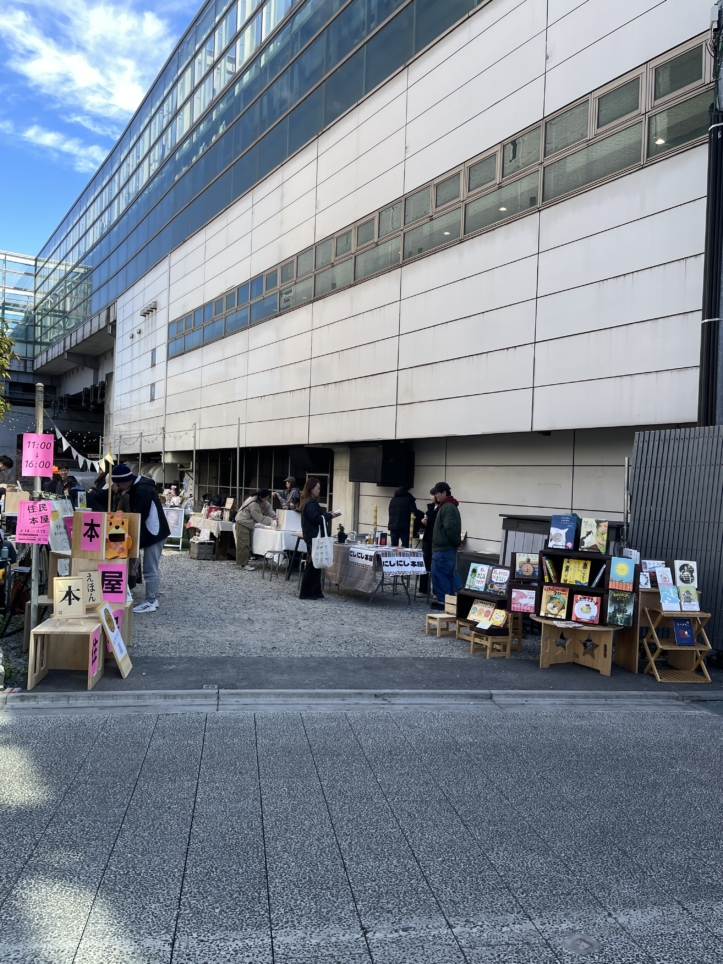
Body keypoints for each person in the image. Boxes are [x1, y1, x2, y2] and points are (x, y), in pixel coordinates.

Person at [111, 463, 170, 613]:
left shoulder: (142, 489)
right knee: (151, 567)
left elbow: (139, 515)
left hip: (154, 533)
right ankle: (152, 599)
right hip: (152, 532)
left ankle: (150, 601)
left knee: (150, 568)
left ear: (125, 480)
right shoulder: (138, 487)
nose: (119, 486)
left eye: (119, 483)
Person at [299, 477, 340, 600]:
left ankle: (315, 591)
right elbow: (316, 519)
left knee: (315, 565)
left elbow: (316, 517)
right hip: (313, 537)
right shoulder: (311, 502)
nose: (319, 491)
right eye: (317, 488)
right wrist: (329, 516)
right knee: (313, 565)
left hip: (311, 536)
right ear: (311, 488)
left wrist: (327, 515)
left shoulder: (308, 501)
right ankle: (307, 592)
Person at [430, 481, 462, 610]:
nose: (436, 496)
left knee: (440, 575)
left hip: (443, 549)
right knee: (447, 575)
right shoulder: (449, 506)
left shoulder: (447, 507)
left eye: (437, 493)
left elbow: (450, 527)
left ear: (444, 493)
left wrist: (457, 542)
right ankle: (448, 602)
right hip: (446, 549)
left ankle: (443, 601)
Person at [235, 489, 276, 570]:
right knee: (244, 544)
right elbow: (259, 518)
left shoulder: (259, 498)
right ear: (261, 497)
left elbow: (267, 506)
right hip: (243, 522)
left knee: (246, 544)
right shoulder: (254, 503)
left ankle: (244, 563)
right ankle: (243, 564)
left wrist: (274, 516)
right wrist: (272, 521)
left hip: (247, 523)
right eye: (266, 498)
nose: (266, 500)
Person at [387, 483, 424, 548]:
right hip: (404, 526)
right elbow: (414, 512)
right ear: (408, 489)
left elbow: (390, 512)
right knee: (406, 547)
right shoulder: (409, 499)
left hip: (393, 526)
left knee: (393, 547)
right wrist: (421, 514)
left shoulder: (393, 499)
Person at [419, 488, 437, 596]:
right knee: (424, 564)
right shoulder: (431, 507)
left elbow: (434, 520)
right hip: (427, 539)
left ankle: (436, 591)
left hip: (435, 540)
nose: (430, 497)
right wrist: (423, 522)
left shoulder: (440, 508)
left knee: (435, 567)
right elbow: (427, 523)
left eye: (432, 495)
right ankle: (423, 589)